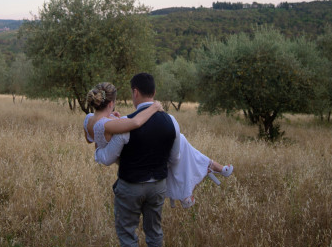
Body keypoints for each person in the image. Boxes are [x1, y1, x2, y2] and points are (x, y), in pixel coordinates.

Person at [93, 73, 178, 247]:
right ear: (154, 92)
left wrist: (97, 152)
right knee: (155, 231)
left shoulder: (127, 123)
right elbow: (174, 156)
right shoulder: (172, 122)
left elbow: (109, 158)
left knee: (127, 235)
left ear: (135, 92)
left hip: (130, 187)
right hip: (158, 186)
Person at [87, 82, 233, 209]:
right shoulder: (108, 124)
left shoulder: (88, 120)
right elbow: (136, 122)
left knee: (177, 143)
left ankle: (201, 175)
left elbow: (91, 139)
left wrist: (110, 120)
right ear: (111, 103)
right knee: (176, 143)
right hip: (118, 159)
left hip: (112, 154)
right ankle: (201, 174)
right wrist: (154, 107)